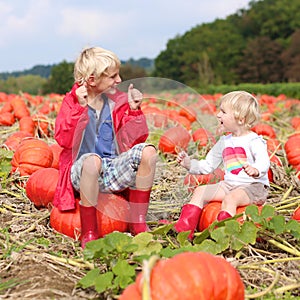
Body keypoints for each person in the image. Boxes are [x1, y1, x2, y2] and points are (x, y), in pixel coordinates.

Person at [53, 46, 157, 248]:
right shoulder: (72, 102)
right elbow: (64, 140)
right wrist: (79, 109)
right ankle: (89, 232)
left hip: (111, 170)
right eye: (112, 77)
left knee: (148, 152)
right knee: (92, 161)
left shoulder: (117, 102)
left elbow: (135, 139)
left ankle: (138, 223)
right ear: (92, 81)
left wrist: (134, 111)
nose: (119, 81)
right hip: (82, 173)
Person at [175, 91, 270, 239]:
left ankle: (224, 235)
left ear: (240, 119)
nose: (218, 115)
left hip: (253, 187)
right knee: (200, 191)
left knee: (230, 199)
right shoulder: (224, 141)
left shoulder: (254, 141)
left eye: (223, 112)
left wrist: (256, 170)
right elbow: (208, 165)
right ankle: (185, 230)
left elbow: (264, 161)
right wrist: (189, 164)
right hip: (229, 184)